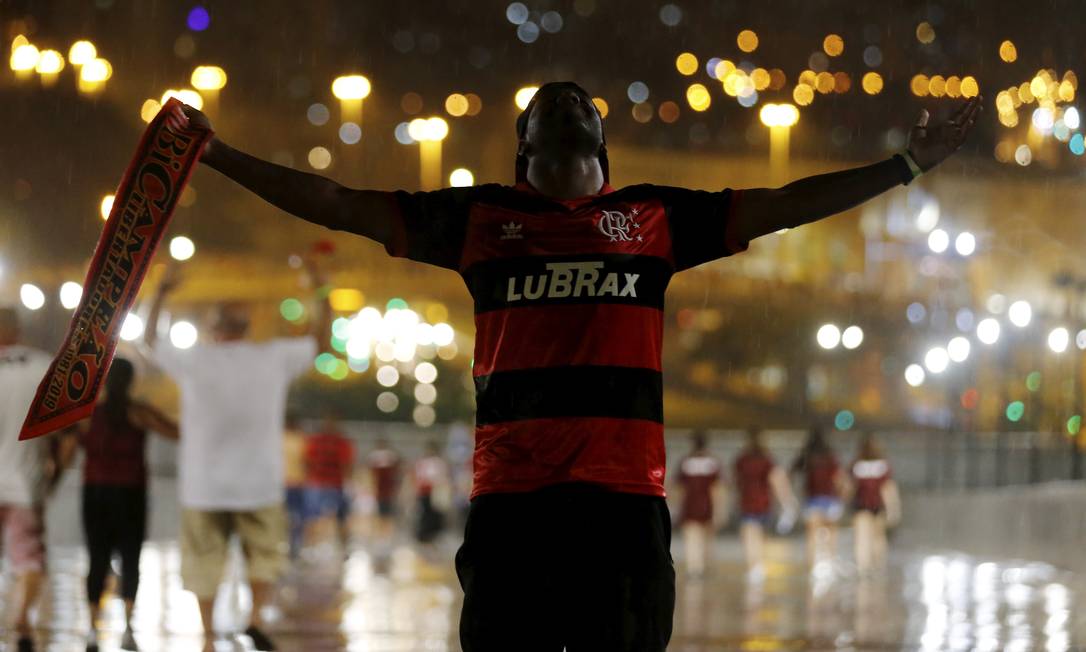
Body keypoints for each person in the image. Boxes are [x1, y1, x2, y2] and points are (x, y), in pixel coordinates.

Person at [171, 82, 980, 650]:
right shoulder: (478, 218)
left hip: (622, 505)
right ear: (525, 149)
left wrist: (904, 166)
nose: (561, 101)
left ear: (601, 138)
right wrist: (217, 154)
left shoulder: (657, 217)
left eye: (576, 101)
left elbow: (784, 203)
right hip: (514, 504)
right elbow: (339, 203)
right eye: (545, 105)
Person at [142, 265, 330, 652]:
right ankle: (256, 618)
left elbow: (148, 340)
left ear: (213, 328)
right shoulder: (272, 358)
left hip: (203, 486)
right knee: (264, 558)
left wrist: (160, 293)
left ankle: (209, 637)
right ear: (247, 328)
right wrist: (320, 292)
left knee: (203, 564)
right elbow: (320, 341)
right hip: (258, 484)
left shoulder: (194, 360)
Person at [77, 357, 178, 652]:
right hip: (130, 493)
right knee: (131, 559)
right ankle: (128, 628)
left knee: (97, 558)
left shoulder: (88, 414)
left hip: (94, 491)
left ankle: (93, 628)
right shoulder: (139, 412)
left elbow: (69, 442)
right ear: (131, 381)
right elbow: (174, 431)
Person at [0, 307, 67, 652]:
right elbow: (66, 430)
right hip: (25, 482)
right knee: (28, 558)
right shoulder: (44, 367)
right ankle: (21, 621)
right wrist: (56, 470)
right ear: (18, 329)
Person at [734, 426, 799, 580]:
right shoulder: (767, 459)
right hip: (763, 502)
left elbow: (736, 481)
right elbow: (777, 480)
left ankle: (753, 566)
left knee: (750, 535)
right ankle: (758, 565)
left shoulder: (742, 460)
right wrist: (786, 501)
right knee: (760, 535)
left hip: (747, 501)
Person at [792, 425, 845, 570]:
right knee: (832, 535)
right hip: (830, 499)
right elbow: (839, 480)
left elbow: (791, 472)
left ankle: (812, 568)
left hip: (812, 500)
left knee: (811, 536)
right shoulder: (831, 457)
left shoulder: (806, 456)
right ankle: (831, 563)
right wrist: (841, 496)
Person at [673, 431, 725, 578]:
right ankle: (705, 565)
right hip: (707, 505)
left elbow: (679, 487)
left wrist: (676, 507)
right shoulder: (713, 462)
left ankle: (694, 567)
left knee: (691, 537)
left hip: (690, 504)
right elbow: (717, 489)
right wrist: (718, 510)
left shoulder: (685, 462)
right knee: (707, 538)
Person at [302, 418, 356, 555]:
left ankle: (344, 547)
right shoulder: (317, 441)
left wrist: (348, 483)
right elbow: (308, 461)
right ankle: (310, 547)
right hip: (318, 483)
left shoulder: (341, 442)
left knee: (341, 518)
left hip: (336, 484)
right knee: (312, 518)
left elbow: (347, 464)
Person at [849, 433, 901, 574]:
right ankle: (878, 566)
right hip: (878, 506)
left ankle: (862, 567)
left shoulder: (856, 465)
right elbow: (887, 489)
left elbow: (851, 487)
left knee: (861, 538)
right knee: (879, 537)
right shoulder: (883, 466)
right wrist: (893, 509)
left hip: (861, 506)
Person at [412, 441, 450, 546]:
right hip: (424, 492)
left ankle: (434, 536)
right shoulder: (422, 462)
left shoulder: (439, 462)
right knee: (425, 514)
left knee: (435, 514)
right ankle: (424, 536)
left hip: (435, 492)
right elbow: (419, 477)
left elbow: (442, 477)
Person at [282, 413, 308, 560]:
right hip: (287, 484)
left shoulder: (300, 439)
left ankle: (294, 545)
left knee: (296, 517)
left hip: (296, 484)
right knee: (290, 517)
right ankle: (289, 544)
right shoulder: (284, 438)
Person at [366, 438, 402, 543]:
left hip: (388, 490)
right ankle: (380, 535)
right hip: (379, 490)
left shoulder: (390, 456)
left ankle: (387, 535)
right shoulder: (374, 457)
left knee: (388, 513)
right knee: (379, 513)